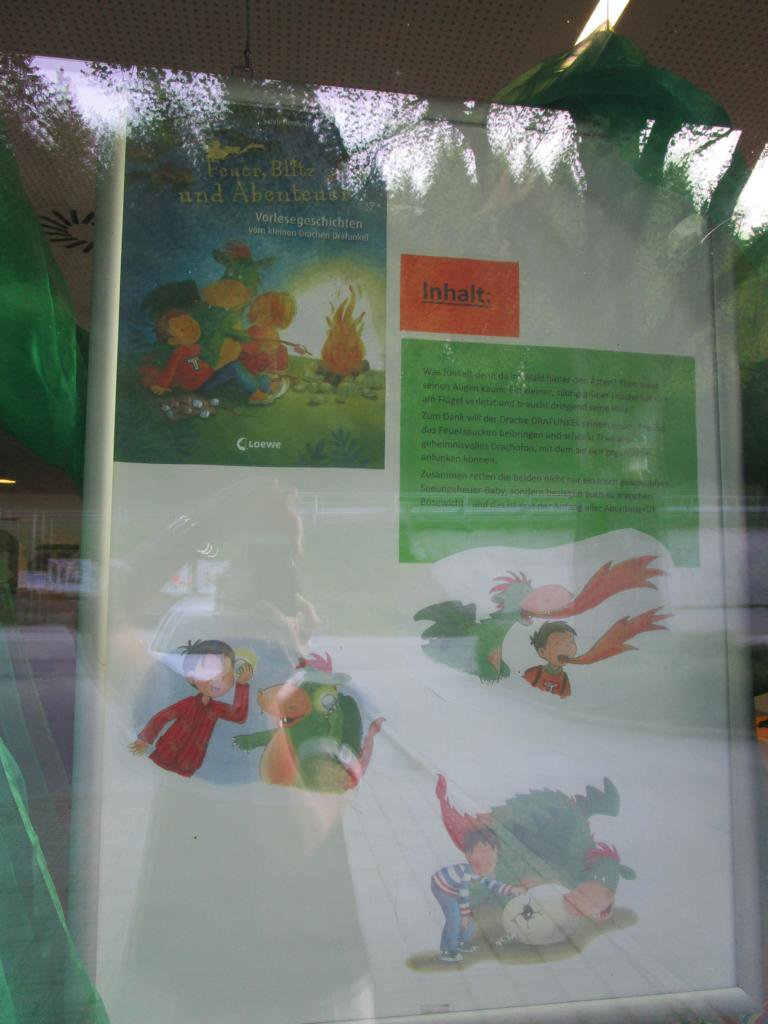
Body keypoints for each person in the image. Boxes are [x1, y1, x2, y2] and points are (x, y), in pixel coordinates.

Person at [129, 639, 251, 777]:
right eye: (210, 672)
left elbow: (238, 716)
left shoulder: (216, 709)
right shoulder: (188, 703)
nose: (217, 680)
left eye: (225, 674)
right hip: (164, 756)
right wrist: (145, 739)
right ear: (190, 677)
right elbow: (161, 717)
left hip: (189, 764)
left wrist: (242, 685)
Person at [431, 828, 520, 963]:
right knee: (455, 917)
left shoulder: (479, 873)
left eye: (492, 856)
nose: (487, 859)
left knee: (466, 919)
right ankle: (447, 950)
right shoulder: (467, 874)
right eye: (482, 853)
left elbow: (493, 884)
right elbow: (463, 896)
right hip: (441, 886)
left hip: (454, 888)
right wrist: (465, 916)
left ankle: (461, 942)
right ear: (468, 855)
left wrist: (511, 889)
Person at [523, 621, 576, 699]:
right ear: (542, 652)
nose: (568, 647)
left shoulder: (564, 679)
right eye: (558, 643)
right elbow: (523, 689)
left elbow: (566, 697)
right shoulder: (535, 673)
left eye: (571, 642)